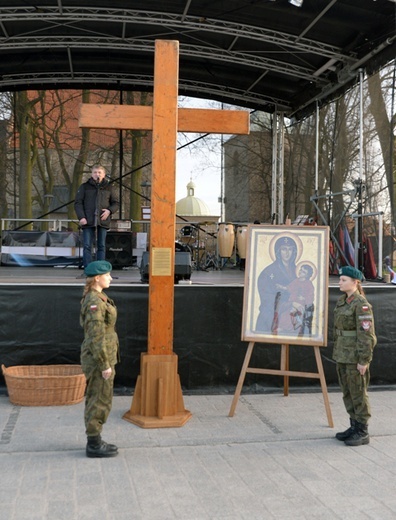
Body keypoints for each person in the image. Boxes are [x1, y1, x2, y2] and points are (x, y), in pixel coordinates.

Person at [333, 266, 377, 446]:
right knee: (348, 392)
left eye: (343, 280)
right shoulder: (343, 301)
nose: (340, 282)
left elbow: (366, 335)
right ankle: (353, 425)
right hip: (342, 354)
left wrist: (363, 360)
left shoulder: (361, 304)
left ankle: (362, 430)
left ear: (355, 282)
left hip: (355, 356)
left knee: (358, 392)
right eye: (340, 279)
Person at [80, 260, 120, 458]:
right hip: (99, 359)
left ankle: (95, 439)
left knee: (99, 398)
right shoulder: (95, 302)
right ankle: (94, 444)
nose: (110, 278)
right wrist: (104, 364)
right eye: (107, 275)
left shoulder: (98, 297)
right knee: (99, 400)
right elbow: (95, 336)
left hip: (102, 356)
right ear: (97, 278)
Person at [74, 165, 119, 268]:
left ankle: (100, 268)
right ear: (92, 174)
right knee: (87, 246)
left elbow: (116, 203)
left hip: (102, 221)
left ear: (103, 174)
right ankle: (88, 268)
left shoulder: (109, 187)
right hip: (88, 221)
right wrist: (81, 217)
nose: (97, 174)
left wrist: (109, 211)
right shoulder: (84, 187)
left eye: (99, 172)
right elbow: (78, 203)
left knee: (101, 246)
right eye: (95, 172)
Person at [256, 236, 298, 333]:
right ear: (278, 252)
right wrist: (289, 303)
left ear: (294, 252)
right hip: (271, 319)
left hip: (292, 318)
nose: (287, 253)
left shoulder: (298, 271)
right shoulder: (267, 273)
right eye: (284, 249)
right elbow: (267, 299)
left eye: (290, 249)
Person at [276, 263, 315, 336]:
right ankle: (282, 328)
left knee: (294, 315)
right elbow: (288, 288)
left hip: (301, 304)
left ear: (307, 275)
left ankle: (291, 329)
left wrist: (304, 298)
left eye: (304, 272)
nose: (300, 272)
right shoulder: (296, 281)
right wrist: (281, 287)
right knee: (285, 314)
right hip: (292, 302)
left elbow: (311, 297)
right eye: (301, 270)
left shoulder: (309, 284)